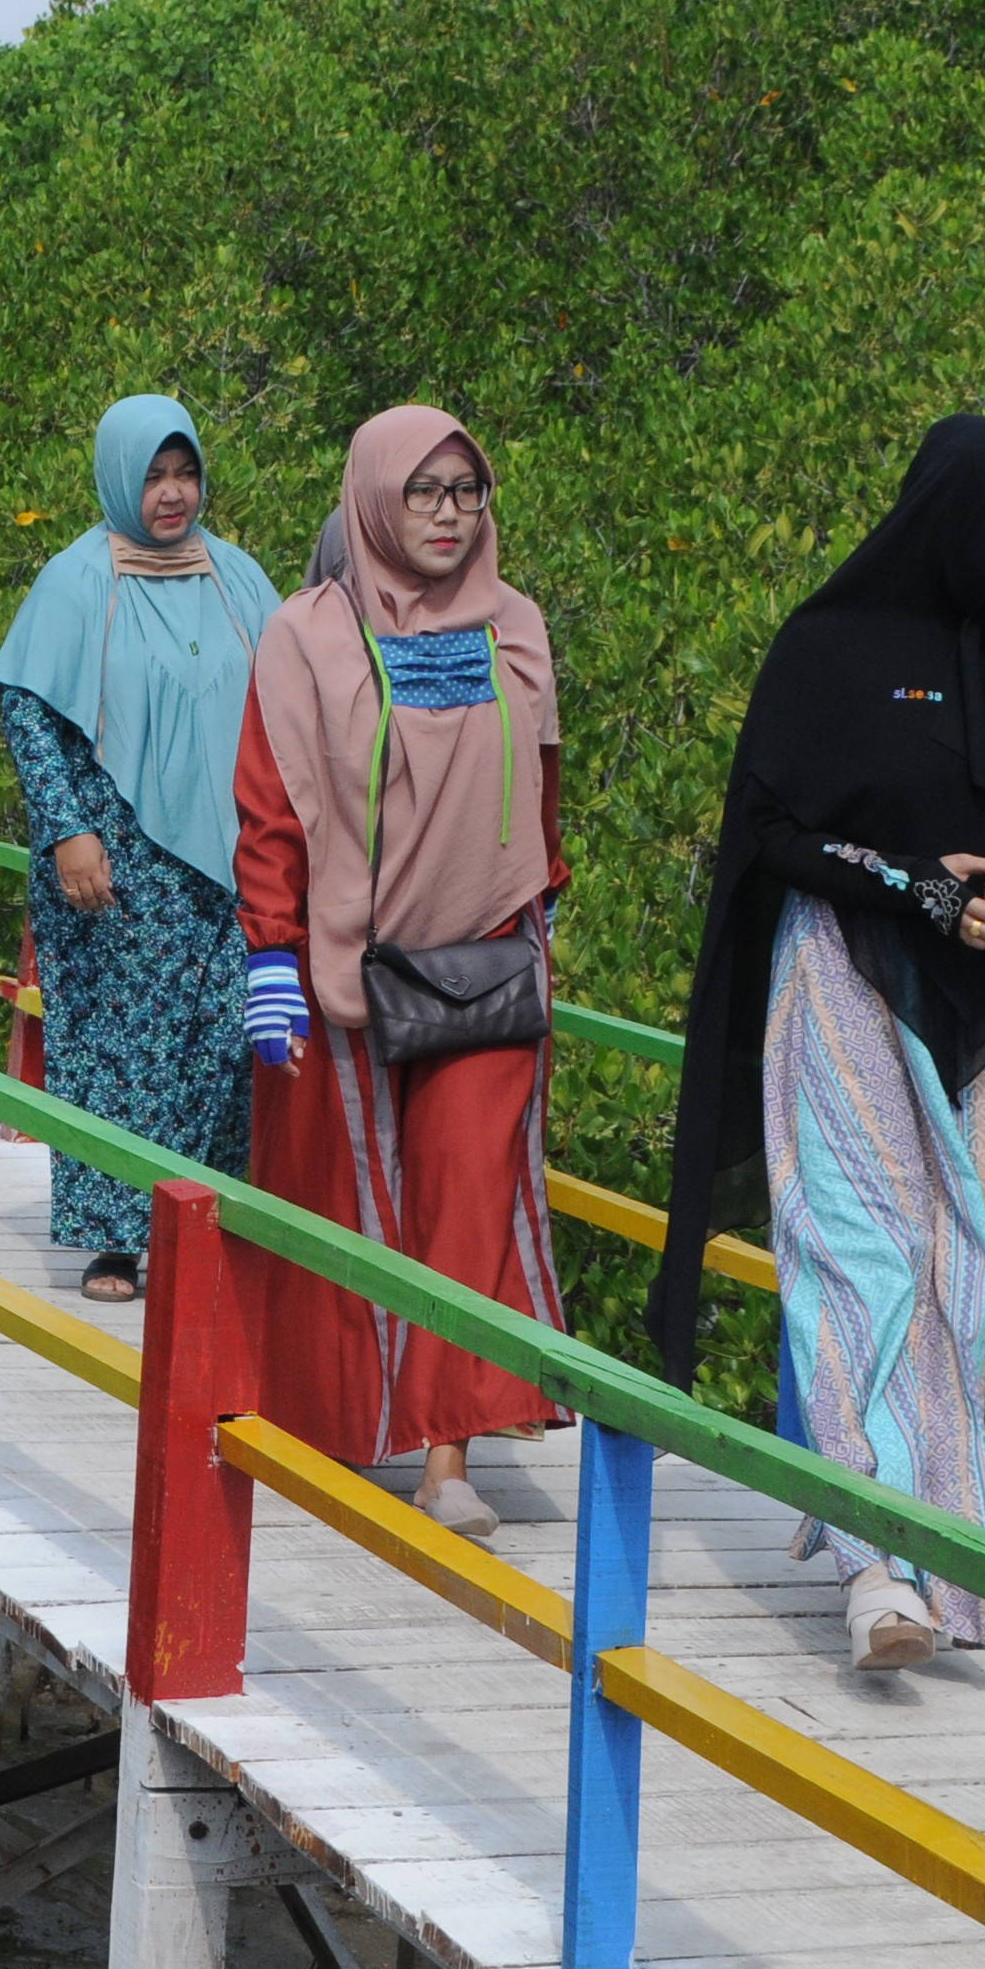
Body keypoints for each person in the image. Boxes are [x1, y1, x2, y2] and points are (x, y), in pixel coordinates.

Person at [647, 416, 985, 1675]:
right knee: (856, 1250)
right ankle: (883, 1563)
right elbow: (771, 829)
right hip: (843, 971)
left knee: (970, 1271)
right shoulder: (834, 646)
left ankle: (907, 1534)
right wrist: (917, 888)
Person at [234, 405, 566, 1537]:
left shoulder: (514, 626)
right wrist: (269, 954)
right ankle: (327, 1422)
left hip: (484, 963)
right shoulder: (304, 633)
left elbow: (544, 790)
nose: (446, 515)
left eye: (465, 491)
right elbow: (271, 800)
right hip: (345, 963)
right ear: (372, 497)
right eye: (422, 492)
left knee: (466, 1198)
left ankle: (445, 1457)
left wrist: (539, 903)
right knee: (346, 1203)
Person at [0, 396, 282, 1300]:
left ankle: (204, 1220)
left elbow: (288, 700)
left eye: (184, 472)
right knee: (116, 1049)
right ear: (120, 477)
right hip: (111, 859)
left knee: (221, 1044)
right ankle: (113, 1237)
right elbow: (29, 713)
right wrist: (69, 830)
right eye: (152, 475)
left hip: (230, 854)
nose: (171, 494)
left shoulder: (236, 579)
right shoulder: (77, 581)